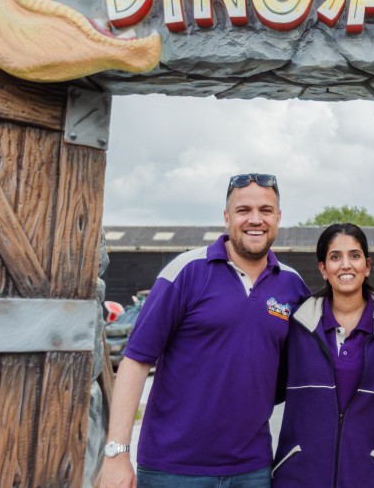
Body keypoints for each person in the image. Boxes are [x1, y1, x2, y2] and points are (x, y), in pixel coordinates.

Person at [100, 173, 310, 488]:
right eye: (243, 210)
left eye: (266, 210)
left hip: (252, 469)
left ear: (278, 218)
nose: (255, 219)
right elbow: (136, 361)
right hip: (172, 469)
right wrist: (117, 454)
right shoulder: (184, 272)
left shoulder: (293, 286)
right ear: (227, 218)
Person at [272, 223, 374, 488]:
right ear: (322, 269)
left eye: (354, 256)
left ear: (367, 266)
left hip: (373, 481)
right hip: (300, 480)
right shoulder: (296, 326)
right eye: (335, 257)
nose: (345, 265)